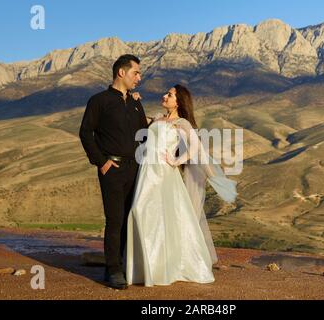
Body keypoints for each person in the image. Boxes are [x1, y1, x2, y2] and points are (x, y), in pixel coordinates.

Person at [126, 84, 237, 287]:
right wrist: (135, 101)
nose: (164, 95)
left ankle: (169, 267)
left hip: (164, 174)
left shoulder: (181, 122)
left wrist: (177, 161)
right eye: (166, 93)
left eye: (169, 94)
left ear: (179, 101)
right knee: (142, 213)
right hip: (146, 173)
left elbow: (195, 146)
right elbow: (139, 120)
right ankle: (149, 268)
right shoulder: (157, 118)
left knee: (156, 216)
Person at [79, 54, 148, 290]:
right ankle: (113, 270)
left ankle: (123, 263)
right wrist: (101, 162)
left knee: (130, 218)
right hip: (113, 168)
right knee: (115, 219)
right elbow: (85, 133)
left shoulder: (136, 103)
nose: (139, 77)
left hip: (135, 168)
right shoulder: (99, 101)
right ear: (121, 72)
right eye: (136, 72)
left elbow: (144, 134)